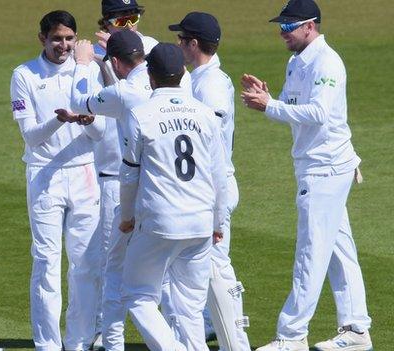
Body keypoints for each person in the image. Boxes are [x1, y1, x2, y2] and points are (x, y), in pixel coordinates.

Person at [241, 1, 372, 350]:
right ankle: (357, 330)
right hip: (314, 164)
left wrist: (270, 105)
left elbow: (318, 113)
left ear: (309, 26)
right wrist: (267, 98)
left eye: (288, 27)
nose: (282, 33)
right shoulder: (295, 62)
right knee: (339, 250)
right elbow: (291, 107)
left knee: (311, 253)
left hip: (326, 167)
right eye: (280, 27)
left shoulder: (327, 62)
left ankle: (292, 335)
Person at [119, 43, 227, 351]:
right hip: (200, 223)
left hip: (159, 222)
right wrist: (218, 220)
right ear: (182, 74)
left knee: (137, 295)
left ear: (150, 77)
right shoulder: (205, 114)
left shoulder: (141, 115)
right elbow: (218, 173)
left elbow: (129, 174)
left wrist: (126, 217)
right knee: (190, 308)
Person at [9, 10, 105, 351]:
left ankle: (78, 341)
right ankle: (48, 344)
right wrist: (62, 120)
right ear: (42, 39)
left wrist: (84, 120)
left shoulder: (90, 70)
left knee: (85, 264)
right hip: (45, 174)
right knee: (47, 262)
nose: (62, 45)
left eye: (68, 39)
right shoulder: (25, 75)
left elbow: (100, 132)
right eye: (55, 39)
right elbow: (32, 136)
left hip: (84, 172)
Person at [168, 12, 250, 351]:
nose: (178, 45)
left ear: (194, 43)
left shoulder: (211, 83)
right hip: (206, 186)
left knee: (217, 268)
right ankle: (206, 331)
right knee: (205, 269)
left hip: (212, 187)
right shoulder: (201, 77)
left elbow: (209, 140)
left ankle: (238, 343)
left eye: (181, 39)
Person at [69, 30, 151, 351]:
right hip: (172, 194)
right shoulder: (165, 80)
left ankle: (112, 342)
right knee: (166, 277)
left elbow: (80, 101)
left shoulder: (125, 92)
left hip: (132, 193)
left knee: (115, 272)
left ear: (114, 62)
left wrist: (84, 64)